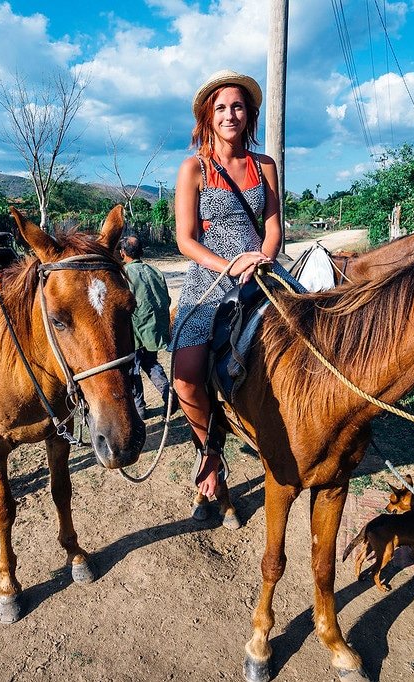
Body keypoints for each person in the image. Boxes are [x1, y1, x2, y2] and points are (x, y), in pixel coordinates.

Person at [168, 70, 294, 502]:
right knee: (185, 377)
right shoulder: (194, 168)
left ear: (249, 114)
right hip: (210, 277)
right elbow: (185, 239)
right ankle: (209, 451)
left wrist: (263, 257)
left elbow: (274, 224)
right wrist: (227, 266)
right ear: (208, 115)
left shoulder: (265, 166)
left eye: (237, 106)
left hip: (257, 272)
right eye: (220, 107)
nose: (229, 114)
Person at [118, 235, 173, 420]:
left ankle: (139, 407)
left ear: (122, 253)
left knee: (133, 369)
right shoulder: (154, 270)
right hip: (153, 331)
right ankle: (169, 395)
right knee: (151, 364)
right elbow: (166, 299)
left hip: (134, 333)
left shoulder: (123, 275)